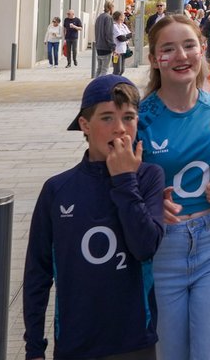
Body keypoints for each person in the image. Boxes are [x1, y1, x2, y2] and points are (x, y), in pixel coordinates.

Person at [23, 75, 165, 360]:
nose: (120, 129)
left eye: (128, 117)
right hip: (77, 341)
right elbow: (38, 273)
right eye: (107, 118)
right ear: (85, 125)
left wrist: (125, 180)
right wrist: (34, 346)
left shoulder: (149, 177)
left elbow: (145, 246)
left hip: (133, 339)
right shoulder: (58, 189)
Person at [139, 15, 210, 360]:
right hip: (161, 251)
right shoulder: (139, 118)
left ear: (202, 50)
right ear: (155, 59)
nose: (181, 56)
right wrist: (149, 204)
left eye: (189, 45)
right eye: (168, 49)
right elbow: (119, 185)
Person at [94, 0, 116, 76]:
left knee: (99, 69)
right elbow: (109, 34)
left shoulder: (99, 17)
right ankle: (100, 86)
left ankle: (95, 85)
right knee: (104, 70)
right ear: (111, 8)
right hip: (105, 47)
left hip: (99, 46)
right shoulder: (108, 18)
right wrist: (113, 46)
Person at [111, 10, 132, 74]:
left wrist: (124, 36)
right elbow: (120, 38)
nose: (124, 17)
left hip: (124, 50)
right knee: (117, 70)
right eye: (123, 16)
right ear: (120, 17)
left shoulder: (123, 25)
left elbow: (130, 35)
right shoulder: (114, 26)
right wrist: (126, 37)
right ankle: (114, 82)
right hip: (117, 51)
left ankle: (118, 81)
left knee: (122, 70)